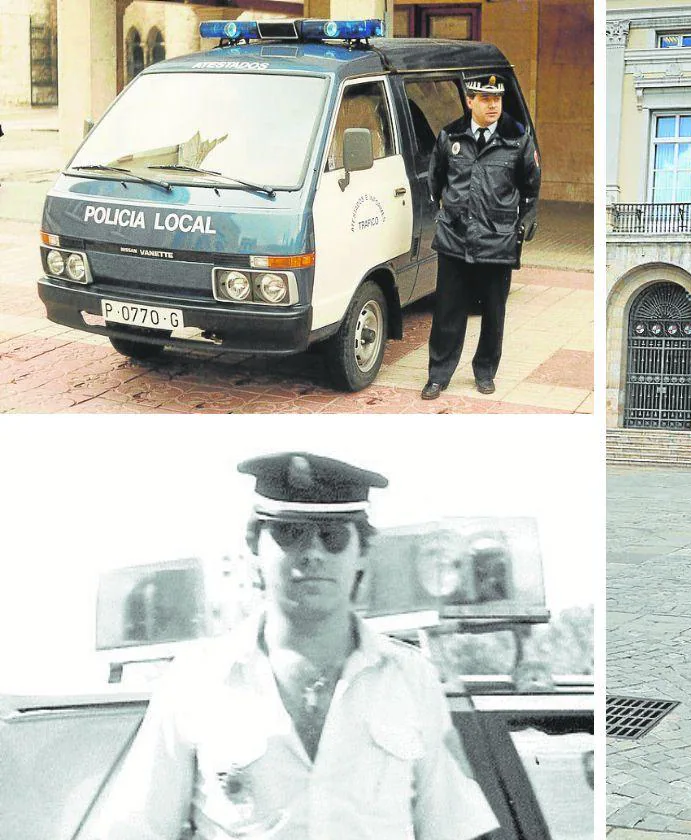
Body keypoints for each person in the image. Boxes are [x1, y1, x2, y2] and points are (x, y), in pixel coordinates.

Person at [92, 452, 500, 840]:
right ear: (254, 546)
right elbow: (134, 830)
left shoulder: (413, 679)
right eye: (290, 534)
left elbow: (454, 828)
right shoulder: (194, 681)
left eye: (333, 537)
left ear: (362, 552)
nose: (312, 554)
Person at [421, 74, 540, 400]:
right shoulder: (451, 136)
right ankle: (438, 375)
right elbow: (435, 182)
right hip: (455, 239)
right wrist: (445, 216)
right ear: (469, 101)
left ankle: (485, 372)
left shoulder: (517, 138)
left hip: (497, 239)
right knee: (448, 311)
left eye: (497, 100)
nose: (493, 106)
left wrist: (528, 217)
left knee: (493, 312)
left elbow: (531, 185)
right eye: (485, 99)